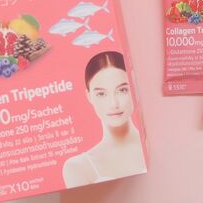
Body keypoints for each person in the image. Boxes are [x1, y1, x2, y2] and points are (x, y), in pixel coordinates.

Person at [62, 51, 146, 187]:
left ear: (134, 88)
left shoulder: (153, 144)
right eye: (101, 94)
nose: (113, 103)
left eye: (122, 90)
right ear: (89, 96)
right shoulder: (78, 167)